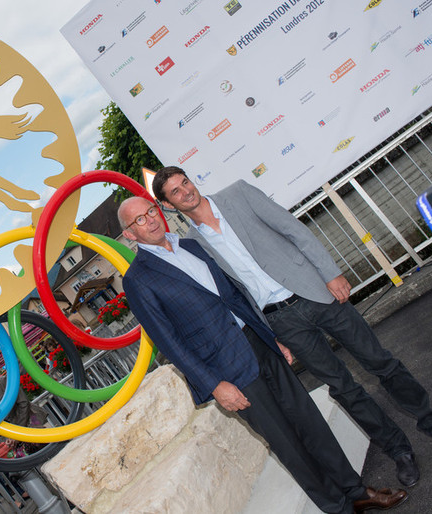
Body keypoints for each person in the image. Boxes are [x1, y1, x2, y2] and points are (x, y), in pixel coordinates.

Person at [151, 166, 432, 487]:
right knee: (343, 387)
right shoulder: (193, 245)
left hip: (315, 293)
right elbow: (232, 295)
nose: (186, 192)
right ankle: (398, 450)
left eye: (186, 182)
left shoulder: (237, 194)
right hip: (279, 320)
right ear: (168, 205)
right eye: (175, 192)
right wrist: (270, 336)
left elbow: (294, 230)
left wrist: (330, 272)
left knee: (380, 362)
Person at [119, 196, 407, 513]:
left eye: (151, 211)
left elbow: (234, 297)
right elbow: (169, 342)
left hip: (258, 343)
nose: (151, 219)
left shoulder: (191, 245)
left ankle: (356, 491)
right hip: (229, 371)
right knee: (287, 443)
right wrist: (215, 384)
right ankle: (338, 507)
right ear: (130, 234)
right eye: (140, 220)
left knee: (311, 422)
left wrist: (273, 339)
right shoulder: (138, 279)